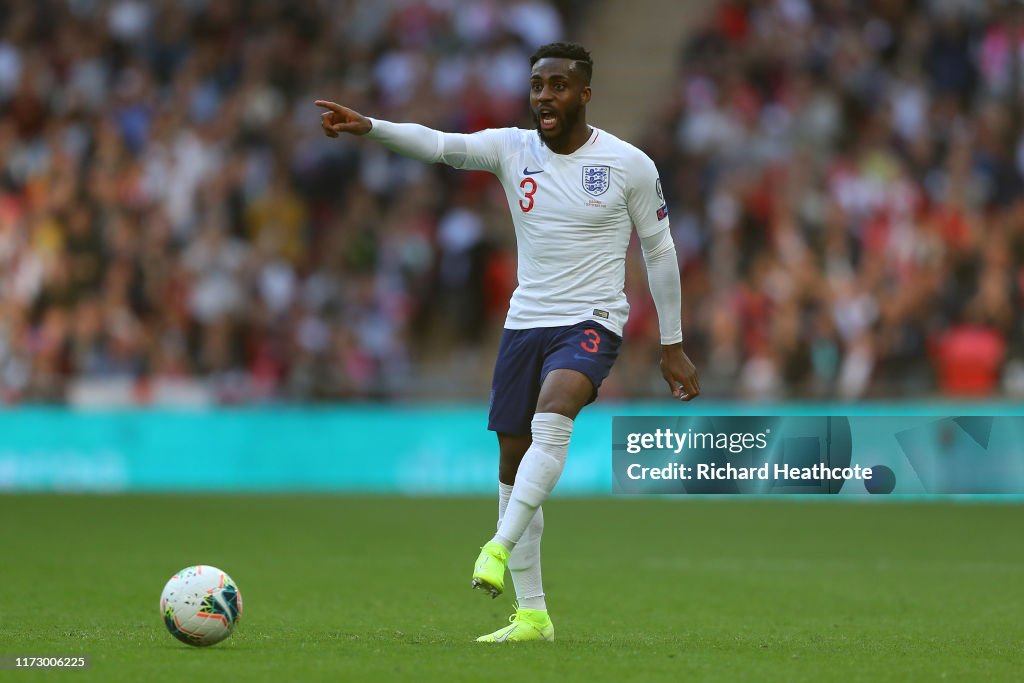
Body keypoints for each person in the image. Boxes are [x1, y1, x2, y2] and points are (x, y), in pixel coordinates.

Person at [316, 42, 700, 643]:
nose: (545, 96)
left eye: (558, 85)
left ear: (585, 94)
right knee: (511, 466)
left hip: (591, 320)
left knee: (555, 414)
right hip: (525, 324)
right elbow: (440, 145)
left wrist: (671, 343)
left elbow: (660, 252)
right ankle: (533, 616)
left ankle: (495, 546)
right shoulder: (511, 148)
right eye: (538, 85)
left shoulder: (629, 164)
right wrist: (371, 128)